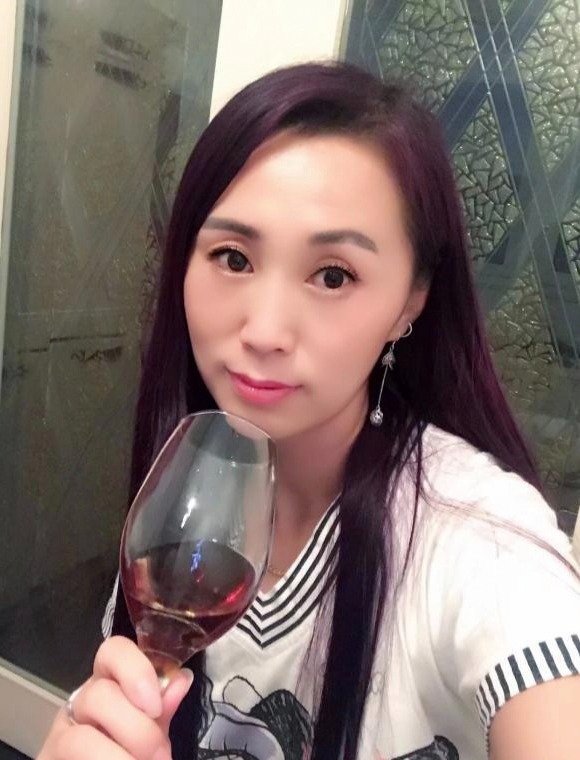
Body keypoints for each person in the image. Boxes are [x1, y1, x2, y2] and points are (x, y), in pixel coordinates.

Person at [39, 61, 580, 760]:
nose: (264, 331)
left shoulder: (477, 538)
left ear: (410, 303)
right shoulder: (183, 513)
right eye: (233, 258)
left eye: (333, 275)